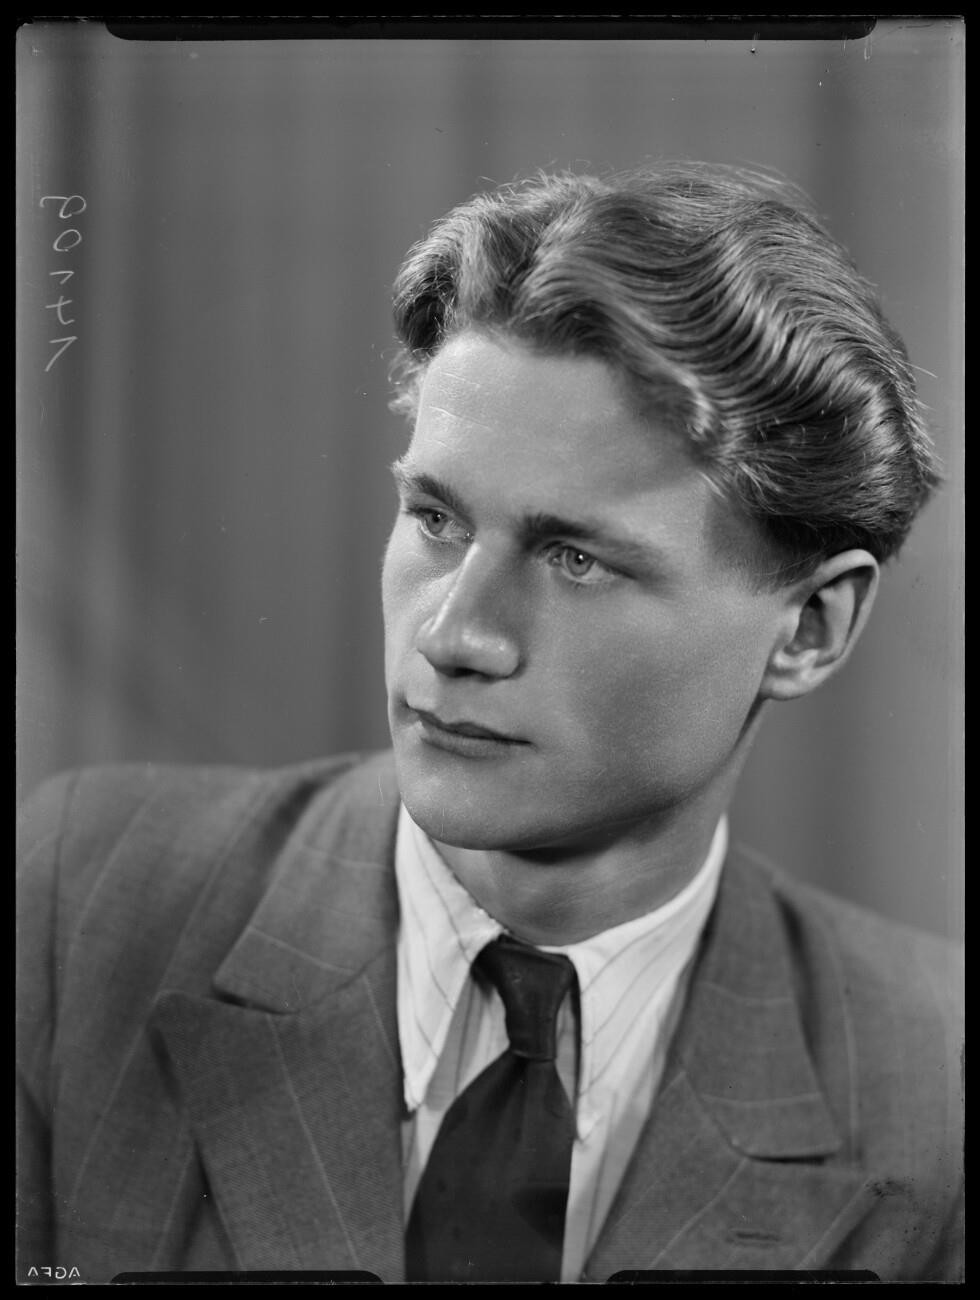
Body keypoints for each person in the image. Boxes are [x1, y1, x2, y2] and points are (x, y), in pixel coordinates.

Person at [17, 162, 962, 1285]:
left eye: (576, 559)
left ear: (808, 626)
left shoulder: (937, 1081)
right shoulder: (82, 903)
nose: (455, 633)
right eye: (435, 518)